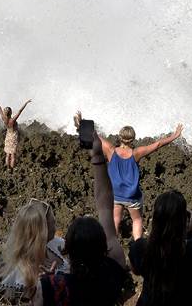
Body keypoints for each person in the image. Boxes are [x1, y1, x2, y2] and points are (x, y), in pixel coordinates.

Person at [31, 128, 128, 305]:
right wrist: (98, 156)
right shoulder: (114, 267)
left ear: (66, 248)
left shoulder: (51, 286)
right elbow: (105, 206)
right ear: (104, 245)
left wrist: (48, 282)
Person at [76, 112, 182, 240]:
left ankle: (112, 244)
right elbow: (158, 144)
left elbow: (94, 135)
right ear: (133, 139)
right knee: (137, 220)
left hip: (115, 194)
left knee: (115, 219)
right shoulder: (136, 153)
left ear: (120, 137)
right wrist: (174, 136)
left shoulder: (110, 150)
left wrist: (81, 123)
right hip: (132, 196)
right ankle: (138, 245)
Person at [128, 190, 192, 306]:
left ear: (155, 219)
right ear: (183, 220)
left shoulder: (140, 247)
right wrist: (190, 233)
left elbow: (135, 270)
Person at [0, 198, 68, 301]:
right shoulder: (21, 275)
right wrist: (50, 282)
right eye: (52, 224)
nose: (55, 227)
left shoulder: (55, 244)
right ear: (40, 232)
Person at [0, 96, 32, 168]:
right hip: (13, 136)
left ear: (4, 113)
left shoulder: (4, 119)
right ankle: (12, 168)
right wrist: (26, 103)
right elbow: (20, 111)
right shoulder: (12, 120)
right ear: (11, 112)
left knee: (7, 154)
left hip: (8, 136)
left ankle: (7, 167)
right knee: (13, 155)